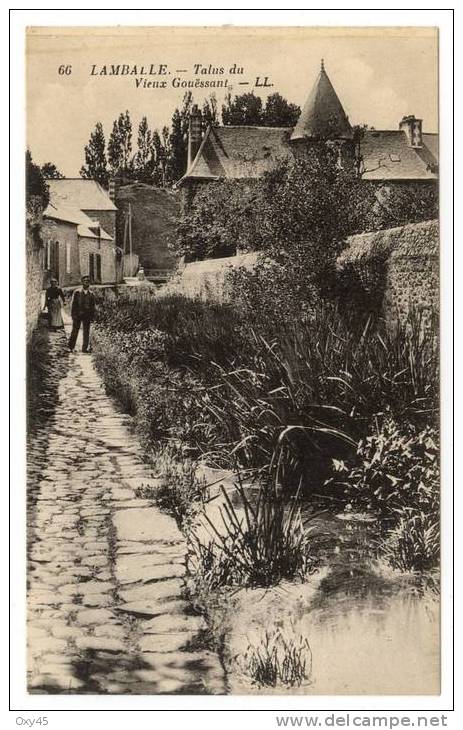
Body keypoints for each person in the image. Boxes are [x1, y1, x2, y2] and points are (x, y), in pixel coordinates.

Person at [68, 275, 96, 353]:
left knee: (86, 332)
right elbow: (73, 304)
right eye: (85, 281)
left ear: (89, 283)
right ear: (82, 282)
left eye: (88, 281)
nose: (86, 283)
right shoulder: (77, 292)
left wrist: (92, 316)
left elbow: (93, 307)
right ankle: (71, 347)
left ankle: (84, 348)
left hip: (87, 315)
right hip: (78, 315)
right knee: (75, 331)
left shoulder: (91, 294)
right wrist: (73, 315)